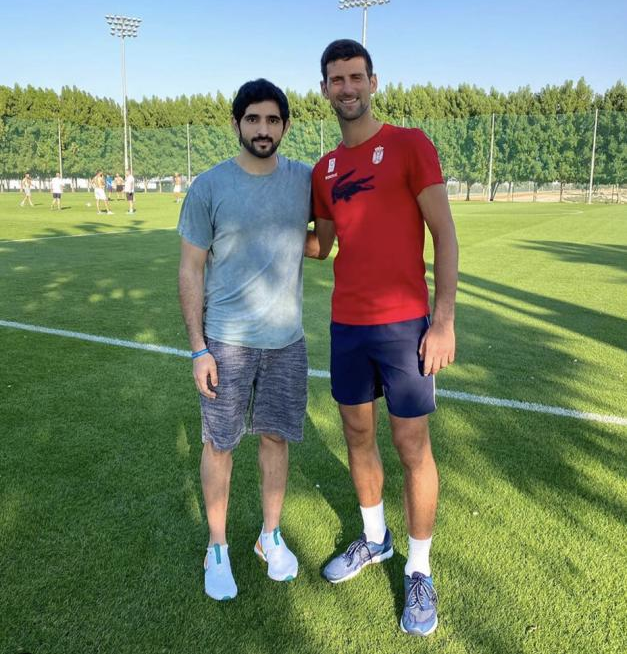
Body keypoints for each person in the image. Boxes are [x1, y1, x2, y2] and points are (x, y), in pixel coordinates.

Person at [309, 39, 458, 637]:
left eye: (355, 77)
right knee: (356, 433)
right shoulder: (324, 169)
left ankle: (419, 571)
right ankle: (376, 541)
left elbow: (445, 235)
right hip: (347, 324)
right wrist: (253, 232)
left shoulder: (409, 144)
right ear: (323, 89)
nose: (346, 88)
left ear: (373, 82)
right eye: (335, 79)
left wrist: (442, 319)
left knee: (411, 445)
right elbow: (320, 246)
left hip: (404, 327)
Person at [177, 79, 313, 602]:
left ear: (285, 126)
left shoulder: (302, 180)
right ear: (237, 124)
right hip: (226, 343)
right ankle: (217, 547)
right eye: (253, 119)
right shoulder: (210, 186)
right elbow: (190, 269)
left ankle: (268, 537)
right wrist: (198, 347)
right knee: (220, 443)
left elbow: (323, 239)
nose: (263, 129)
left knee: (276, 438)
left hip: (286, 342)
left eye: (272, 120)